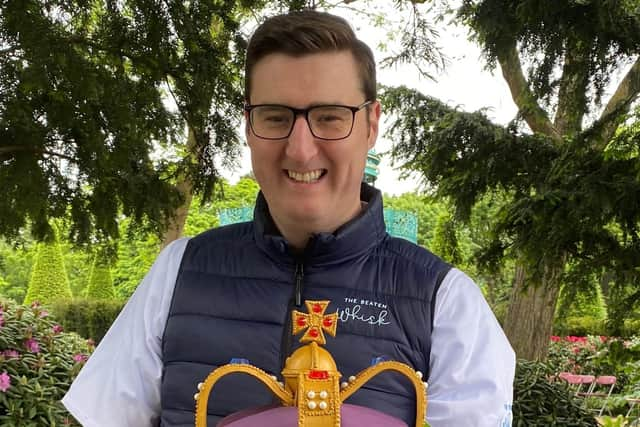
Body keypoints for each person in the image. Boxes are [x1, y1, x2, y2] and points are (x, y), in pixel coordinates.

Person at [62, 10, 515, 427]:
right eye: (276, 117)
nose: (300, 148)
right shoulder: (178, 272)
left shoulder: (446, 303)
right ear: (248, 125)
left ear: (371, 124)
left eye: (330, 117)